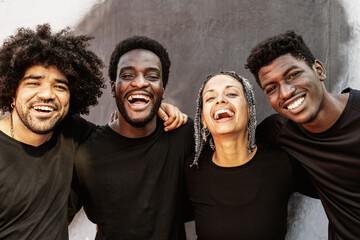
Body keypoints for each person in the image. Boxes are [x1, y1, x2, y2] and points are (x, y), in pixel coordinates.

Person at [69, 36, 194, 239]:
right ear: (113, 87)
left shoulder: (184, 135)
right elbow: (54, 219)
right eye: (127, 75)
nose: (139, 83)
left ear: (163, 90)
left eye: (152, 76)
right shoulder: (88, 152)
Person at [245, 30, 360, 240]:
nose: (286, 92)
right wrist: (166, 112)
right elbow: (227, 140)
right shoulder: (278, 132)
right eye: (271, 88)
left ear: (319, 70)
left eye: (293, 75)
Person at [0, 24, 106, 239]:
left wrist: (159, 109)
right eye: (34, 83)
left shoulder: (75, 132)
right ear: (12, 91)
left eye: (60, 86)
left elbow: (125, 137)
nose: (47, 94)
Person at [185, 71, 317, 239]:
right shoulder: (191, 170)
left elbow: (338, 188)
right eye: (210, 98)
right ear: (203, 120)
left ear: (249, 110)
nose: (220, 100)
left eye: (231, 93)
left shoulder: (282, 162)